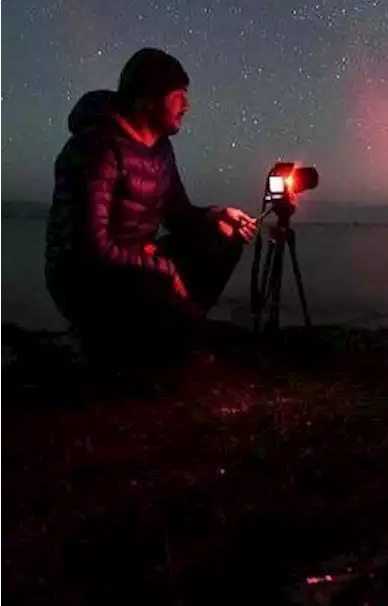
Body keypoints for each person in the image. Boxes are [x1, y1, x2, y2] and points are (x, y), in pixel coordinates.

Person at [44, 47, 258, 375]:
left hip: (139, 263)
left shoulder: (160, 150)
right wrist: (163, 270)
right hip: (85, 277)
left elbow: (179, 215)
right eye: (179, 95)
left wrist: (216, 214)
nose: (187, 105)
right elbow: (90, 248)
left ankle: (172, 334)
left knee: (223, 236)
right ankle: (119, 340)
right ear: (148, 99)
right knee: (180, 324)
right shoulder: (95, 148)